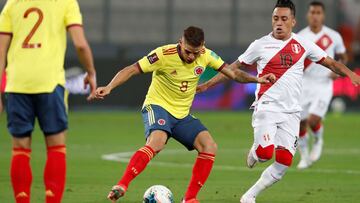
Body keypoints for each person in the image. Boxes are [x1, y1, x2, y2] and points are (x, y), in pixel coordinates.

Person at [196, 0, 360, 202]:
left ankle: (249, 196)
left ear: (293, 21)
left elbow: (331, 63)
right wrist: (206, 85)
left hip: (292, 112)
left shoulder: (303, 44)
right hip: (267, 107)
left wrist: (350, 73)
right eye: (275, 19)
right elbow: (232, 68)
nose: (279, 23)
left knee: (283, 162)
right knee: (265, 154)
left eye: (284, 19)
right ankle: (257, 152)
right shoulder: (260, 45)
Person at [93, 26, 275, 203]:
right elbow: (131, 69)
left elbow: (233, 74)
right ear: (180, 42)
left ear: (202, 46)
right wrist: (109, 87)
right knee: (157, 142)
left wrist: (257, 79)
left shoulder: (206, 55)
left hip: (182, 114)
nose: (191, 56)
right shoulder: (163, 54)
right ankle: (121, 185)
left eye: (196, 53)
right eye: (188, 51)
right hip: (157, 106)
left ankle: (189, 198)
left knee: (209, 146)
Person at [0, 0, 97, 202]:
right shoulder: (65, 2)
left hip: (17, 84)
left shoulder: (13, 4)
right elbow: (80, 44)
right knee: (56, 147)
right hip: (49, 83)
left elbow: (1, 52)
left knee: (20, 148)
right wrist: (90, 71)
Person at [296, 1, 348, 169]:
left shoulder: (333, 36)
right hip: (305, 83)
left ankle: (318, 141)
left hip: (324, 83)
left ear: (323, 15)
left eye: (318, 12)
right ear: (307, 15)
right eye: (312, 12)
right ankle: (304, 156)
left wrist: (337, 71)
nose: (315, 16)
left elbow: (343, 57)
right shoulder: (300, 37)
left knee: (313, 120)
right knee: (300, 123)